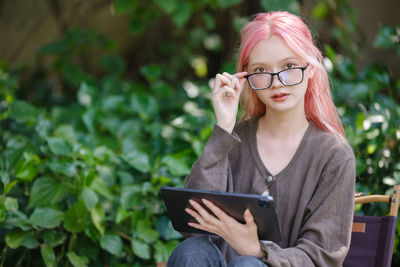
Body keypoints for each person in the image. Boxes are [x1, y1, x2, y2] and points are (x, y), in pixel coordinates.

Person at [167, 11, 355, 267]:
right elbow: (195, 226)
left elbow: (321, 255)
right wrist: (224, 127)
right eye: (260, 70)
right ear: (245, 77)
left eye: (289, 67)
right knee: (192, 250)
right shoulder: (235, 139)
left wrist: (259, 252)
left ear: (310, 69)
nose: (276, 82)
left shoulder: (334, 155)